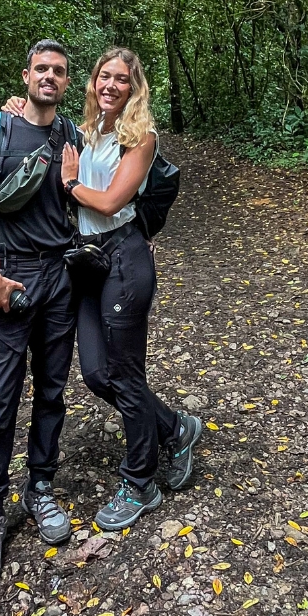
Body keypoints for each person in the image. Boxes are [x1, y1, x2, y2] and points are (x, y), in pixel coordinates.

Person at [58, 47, 200, 530]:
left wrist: (73, 184)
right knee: (97, 374)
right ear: (93, 82)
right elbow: (35, 119)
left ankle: (140, 482)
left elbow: (113, 200)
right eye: (104, 76)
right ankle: (175, 428)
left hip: (124, 257)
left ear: (134, 87)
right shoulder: (83, 132)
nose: (110, 85)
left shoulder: (140, 137)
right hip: (87, 262)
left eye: (121, 79)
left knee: (124, 372)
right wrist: (15, 105)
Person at [0, 40, 81, 583]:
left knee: (52, 388)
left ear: (66, 81)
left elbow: (98, 192)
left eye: (58, 71)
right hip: (10, 274)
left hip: (61, 276)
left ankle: (41, 488)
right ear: (26, 74)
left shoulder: (71, 134)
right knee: (1, 394)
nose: (49, 77)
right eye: (41, 69)